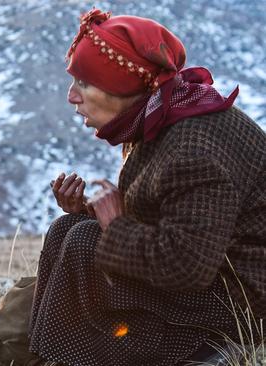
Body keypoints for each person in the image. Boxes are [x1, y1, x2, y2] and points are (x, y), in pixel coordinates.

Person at [28, 8, 266, 366]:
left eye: (85, 84)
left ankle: (208, 351)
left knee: (84, 243)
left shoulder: (194, 150)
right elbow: (172, 213)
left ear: (123, 88)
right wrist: (90, 213)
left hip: (241, 305)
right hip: (213, 278)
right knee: (69, 228)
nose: (71, 96)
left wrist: (115, 226)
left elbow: (186, 266)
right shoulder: (160, 115)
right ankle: (48, 355)